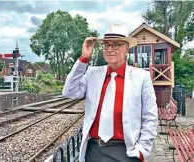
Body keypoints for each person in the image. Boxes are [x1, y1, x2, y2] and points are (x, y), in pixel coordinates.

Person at [62, 23, 158, 162]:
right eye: (106, 45)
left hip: (124, 151)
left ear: (126, 48)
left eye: (116, 45)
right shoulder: (92, 73)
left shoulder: (141, 77)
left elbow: (150, 116)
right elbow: (69, 92)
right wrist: (84, 59)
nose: (110, 49)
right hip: (93, 150)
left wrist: (141, 151)